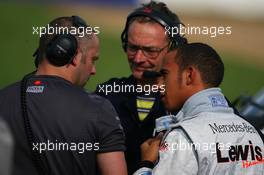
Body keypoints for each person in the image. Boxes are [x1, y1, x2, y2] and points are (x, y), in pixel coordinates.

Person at [0, 16, 127, 175]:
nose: (93, 70)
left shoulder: (3, 98)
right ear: (74, 55)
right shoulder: (99, 109)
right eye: (92, 60)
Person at [134, 43, 264, 175]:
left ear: (189, 75)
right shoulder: (254, 133)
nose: (158, 85)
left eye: (165, 75)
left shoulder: (183, 136)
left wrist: (146, 164)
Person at [95, 1, 187, 174]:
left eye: (150, 50)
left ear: (174, 48)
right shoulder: (106, 94)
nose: (138, 58)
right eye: (132, 47)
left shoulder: (192, 101)